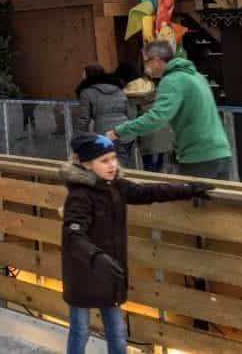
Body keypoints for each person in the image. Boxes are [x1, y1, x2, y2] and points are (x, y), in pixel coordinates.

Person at [61, 133, 210, 354]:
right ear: (86, 165)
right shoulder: (80, 196)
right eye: (104, 161)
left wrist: (187, 189)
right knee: (80, 329)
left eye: (113, 158)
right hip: (83, 270)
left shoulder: (117, 187)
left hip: (110, 272)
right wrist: (96, 258)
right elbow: (73, 235)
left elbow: (148, 192)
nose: (112, 165)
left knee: (118, 330)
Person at [109, 39, 233, 180]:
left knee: (189, 201)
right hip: (221, 152)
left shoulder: (172, 80)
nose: (145, 67)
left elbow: (157, 117)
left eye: (146, 62)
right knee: (219, 202)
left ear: (156, 60)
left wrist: (118, 131)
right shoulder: (197, 76)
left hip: (198, 156)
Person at [75, 63, 135, 169]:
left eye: (83, 75)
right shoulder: (119, 89)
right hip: (126, 132)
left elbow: (83, 119)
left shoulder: (86, 92)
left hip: (106, 134)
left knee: (111, 166)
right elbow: (129, 113)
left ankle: (116, 184)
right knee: (124, 164)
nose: (82, 77)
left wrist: (80, 140)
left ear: (89, 76)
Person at [115, 63, 172, 173]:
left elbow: (132, 115)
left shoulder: (128, 91)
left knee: (148, 164)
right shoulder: (150, 84)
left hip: (146, 129)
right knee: (161, 162)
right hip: (162, 126)